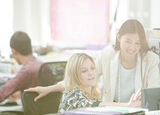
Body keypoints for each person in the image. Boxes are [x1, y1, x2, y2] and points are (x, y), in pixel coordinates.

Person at [25, 19, 160, 105]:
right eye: (128, 41)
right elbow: (79, 78)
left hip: (141, 114)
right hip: (112, 112)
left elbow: (154, 95)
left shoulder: (151, 59)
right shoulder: (108, 54)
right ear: (119, 37)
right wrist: (50, 88)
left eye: (137, 43)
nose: (132, 47)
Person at [26, 53, 141, 112]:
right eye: (84, 71)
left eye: (92, 68)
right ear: (75, 74)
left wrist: (50, 88)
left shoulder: (92, 92)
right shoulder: (72, 96)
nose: (91, 73)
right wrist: (128, 105)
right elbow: (96, 106)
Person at [0, 31, 43, 103]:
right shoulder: (40, 64)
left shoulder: (27, 70)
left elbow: (3, 92)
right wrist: (20, 94)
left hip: (32, 113)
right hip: (46, 111)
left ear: (14, 51)